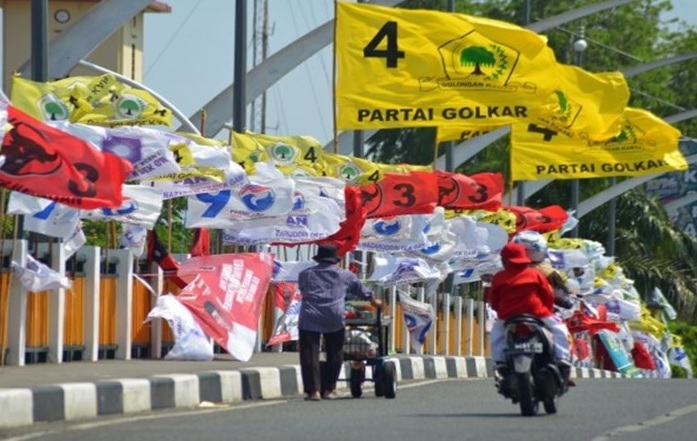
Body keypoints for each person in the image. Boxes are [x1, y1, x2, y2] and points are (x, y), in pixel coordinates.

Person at [297, 243, 382, 401]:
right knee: (335, 353)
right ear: (335, 260)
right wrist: (374, 300)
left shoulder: (305, 274)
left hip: (310, 316)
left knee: (309, 355)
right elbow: (362, 291)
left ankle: (313, 391)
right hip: (334, 316)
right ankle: (329, 389)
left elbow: (303, 290)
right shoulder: (345, 275)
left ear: (318, 259)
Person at [487, 242, 574, 385]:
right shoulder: (536, 275)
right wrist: (546, 310)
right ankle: (562, 358)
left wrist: (501, 312)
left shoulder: (499, 277)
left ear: (504, 260)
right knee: (560, 331)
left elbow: (494, 300)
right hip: (538, 313)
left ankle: (499, 362)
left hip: (508, 316)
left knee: (496, 336)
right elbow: (548, 296)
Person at [511, 230, 575, 309]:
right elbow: (563, 298)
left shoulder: (503, 269)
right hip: (539, 312)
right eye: (525, 252)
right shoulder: (548, 271)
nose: (528, 255)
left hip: (511, 312)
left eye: (533, 252)